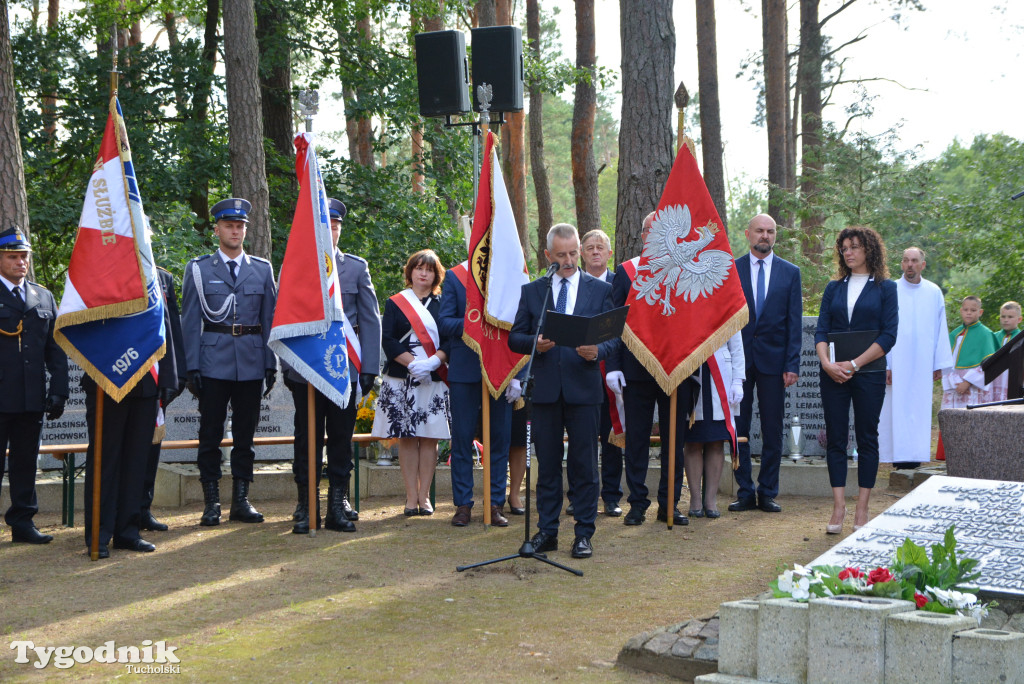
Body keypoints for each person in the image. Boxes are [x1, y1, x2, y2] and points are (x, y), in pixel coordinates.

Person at [508, 223, 616, 559]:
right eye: (561, 255)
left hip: (584, 390)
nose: (569, 260)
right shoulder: (534, 292)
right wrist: (535, 344)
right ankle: (547, 531)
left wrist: (597, 351)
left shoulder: (597, 290)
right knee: (549, 466)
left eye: (573, 253)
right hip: (546, 393)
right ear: (548, 256)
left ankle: (584, 533)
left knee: (584, 465)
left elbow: (616, 336)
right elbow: (515, 337)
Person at [284, 199, 381, 534]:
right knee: (306, 438)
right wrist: (286, 364)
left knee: (340, 437)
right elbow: (284, 318)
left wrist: (369, 366)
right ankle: (306, 504)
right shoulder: (297, 267)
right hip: (306, 369)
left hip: (343, 367)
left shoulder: (355, 267)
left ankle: (337, 505)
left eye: (336, 226)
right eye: (326, 226)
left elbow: (370, 319)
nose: (332, 231)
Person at [181, 198, 278, 526]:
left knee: (245, 437)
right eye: (229, 225)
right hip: (213, 360)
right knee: (209, 433)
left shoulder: (262, 269)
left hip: (250, 360)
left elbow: (269, 319)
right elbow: (191, 320)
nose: (235, 231)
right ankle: (211, 503)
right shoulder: (199, 269)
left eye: (240, 226)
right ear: (217, 230)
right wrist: (191, 366)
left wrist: (270, 362)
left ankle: (241, 500)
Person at [604, 212, 697, 527]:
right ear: (643, 235)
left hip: (676, 370)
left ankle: (669, 503)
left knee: (675, 440)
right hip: (636, 369)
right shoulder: (627, 272)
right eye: (650, 230)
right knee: (638, 440)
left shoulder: (684, 269)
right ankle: (638, 503)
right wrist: (613, 367)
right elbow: (615, 324)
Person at [83, 266, 182, 558]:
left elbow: (165, 327)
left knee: (137, 461)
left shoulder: (157, 275)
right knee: (105, 460)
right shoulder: (99, 266)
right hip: (106, 380)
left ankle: (128, 531)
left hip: (145, 383)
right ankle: (98, 534)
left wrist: (168, 378)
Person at [815, 226, 898, 534]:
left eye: (854, 247)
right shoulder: (834, 287)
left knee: (867, 437)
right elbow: (821, 331)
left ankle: (862, 508)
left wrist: (854, 363)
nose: (848, 252)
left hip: (870, 373)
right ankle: (839, 506)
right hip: (833, 374)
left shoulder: (886, 288)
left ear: (869, 250)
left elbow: (888, 335)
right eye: (844, 248)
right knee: (836, 438)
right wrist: (827, 364)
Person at [438, 258, 521, 528]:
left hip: (500, 368)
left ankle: (495, 502)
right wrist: (474, 326)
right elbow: (445, 322)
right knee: (461, 438)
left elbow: (521, 325)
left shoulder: (510, 273)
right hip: (465, 369)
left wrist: (518, 374)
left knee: (499, 438)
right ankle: (463, 504)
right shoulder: (455, 276)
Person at [0, 227, 68, 544]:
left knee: (26, 462)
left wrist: (59, 389)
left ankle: (23, 522)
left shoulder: (42, 296)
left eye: (24, 256)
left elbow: (55, 349)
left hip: (30, 396)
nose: (20, 262)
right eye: (13, 257)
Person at [730, 213, 801, 514]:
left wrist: (792, 364)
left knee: (773, 429)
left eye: (770, 232)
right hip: (740, 362)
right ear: (748, 234)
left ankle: (768, 491)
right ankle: (744, 490)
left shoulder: (790, 272)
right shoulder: (733, 270)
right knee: (739, 428)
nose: (765, 236)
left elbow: (794, 323)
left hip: (775, 362)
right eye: (760, 231)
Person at [371, 249, 450, 516]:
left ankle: (425, 496)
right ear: (410, 272)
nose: (423, 273)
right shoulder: (395, 302)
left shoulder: (445, 303)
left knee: (429, 438)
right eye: (418, 268)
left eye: (428, 269)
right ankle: (410, 496)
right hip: (401, 376)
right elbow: (389, 339)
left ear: (435, 274)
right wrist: (413, 364)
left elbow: (452, 339)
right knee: (406, 437)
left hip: (435, 376)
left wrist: (432, 363)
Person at [878, 247, 953, 470]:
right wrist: (886, 363)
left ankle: (915, 455)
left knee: (918, 407)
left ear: (923, 264)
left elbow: (941, 329)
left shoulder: (933, 292)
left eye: (914, 261)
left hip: (922, 362)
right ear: (901, 264)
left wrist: (939, 363)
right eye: (905, 261)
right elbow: (882, 328)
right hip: (896, 359)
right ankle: (897, 458)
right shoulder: (890, 289)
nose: (910, 265)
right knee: (895, 407)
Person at [139, 267, 188, 532]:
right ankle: (119, 511)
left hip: (156, 380)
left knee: (151, 448)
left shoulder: (162, 277)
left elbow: (173, 327)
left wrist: (175, 378)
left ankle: (143, 508)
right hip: (123, 378)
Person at [579, 228, 624, 517]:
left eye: (601, 247)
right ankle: (580, 496)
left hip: (611, 369)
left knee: (611, 436)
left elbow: (623, 328)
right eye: (590, 247)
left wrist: (617, 367)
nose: (596, 251)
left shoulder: (619, 283)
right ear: (581, 253)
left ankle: (611, 496)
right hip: (579, 369)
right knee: (583, 438)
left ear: (609, 253)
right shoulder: (573, 284)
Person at [684, 332, 744, 519]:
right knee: (693, 442)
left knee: (716, 442)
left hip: (721, 376)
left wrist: (737, 380)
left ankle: (710, 500)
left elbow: (737, 345)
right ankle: (695, 499)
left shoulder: (726, 302)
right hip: (691, 373)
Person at [941, 296, 998, 410]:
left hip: (973, 386)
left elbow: (989, 364)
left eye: (973, 310)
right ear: (961, 311)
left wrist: (968, 382)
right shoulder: (954, 334)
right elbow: (946, 361)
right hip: (953, 384)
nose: (968, 313)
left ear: (980, 312)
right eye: (966, 310)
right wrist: (954, 381)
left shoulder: (986, 334)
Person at [991, 301, 1022, 401]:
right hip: (994, 380)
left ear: (1019, 319)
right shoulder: (993, 337)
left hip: (1015, 379)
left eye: (1010, 317)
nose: (1006, 320)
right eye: (1003, 316)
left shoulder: (1021, 338)